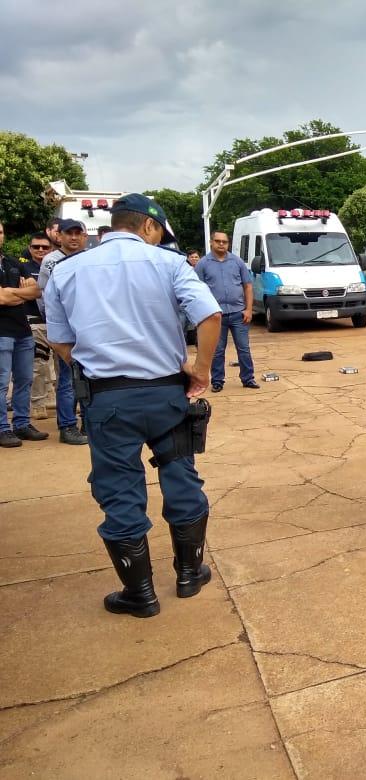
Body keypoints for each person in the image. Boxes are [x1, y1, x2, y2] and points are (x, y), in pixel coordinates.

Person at [44, 194, 222, 618]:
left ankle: (140, 594)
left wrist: (95, 366)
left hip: (107, 401)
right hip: (167, 395)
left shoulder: (66, 271)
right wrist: (200, 370)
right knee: (180, 475)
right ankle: (188, 574)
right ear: (147, 226)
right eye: (159, 232)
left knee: (119, 490)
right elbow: (210, 316)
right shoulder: (169, 264)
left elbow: (59, 339)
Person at [38, 220, 89, 444]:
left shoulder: (90, 258)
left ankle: (88, 421)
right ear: (59, 236)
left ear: (85, 237)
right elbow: (45, 297)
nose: (74, 238)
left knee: (88, 375)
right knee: (67, 379)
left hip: (86, 327)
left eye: (79, 233)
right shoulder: (51, 261)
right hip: (64, 329)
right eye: (69, 233)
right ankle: (67, 426)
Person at [0, 220, 48, 447]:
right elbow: (3, 298)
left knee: (25, 380)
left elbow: (37, 290)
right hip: (1, 333)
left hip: (23, 331)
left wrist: (11, 292)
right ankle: (2, 428)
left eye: (0, 231)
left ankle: (21, 424)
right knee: (1, 383)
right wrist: (19, 292)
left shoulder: (12, 262)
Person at [194, 232, 257, 391]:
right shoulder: (203, 264)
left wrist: (249, 309)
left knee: (243, 348)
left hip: (238, 314)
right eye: (218, 241)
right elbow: (196, 290)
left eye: (224, 242)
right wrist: (202, 314)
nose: (221, 244)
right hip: (215, 316)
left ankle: (248, 379)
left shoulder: (237, 262)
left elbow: (248, 286)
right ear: (211, 242)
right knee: (217, 350)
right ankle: (217, 381)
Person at [19, 233, 55, 419]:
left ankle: (60, 400)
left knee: (63, 365)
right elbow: (27, 293)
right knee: (39, 364)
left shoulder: (57, 265)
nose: (40, 250)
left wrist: (33, 290)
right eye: (36, 247)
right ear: (30, 248)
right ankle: (38, 403)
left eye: (44, 247)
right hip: (36, 321)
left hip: (58, 321)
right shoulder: (23, 267)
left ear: (51, 249)